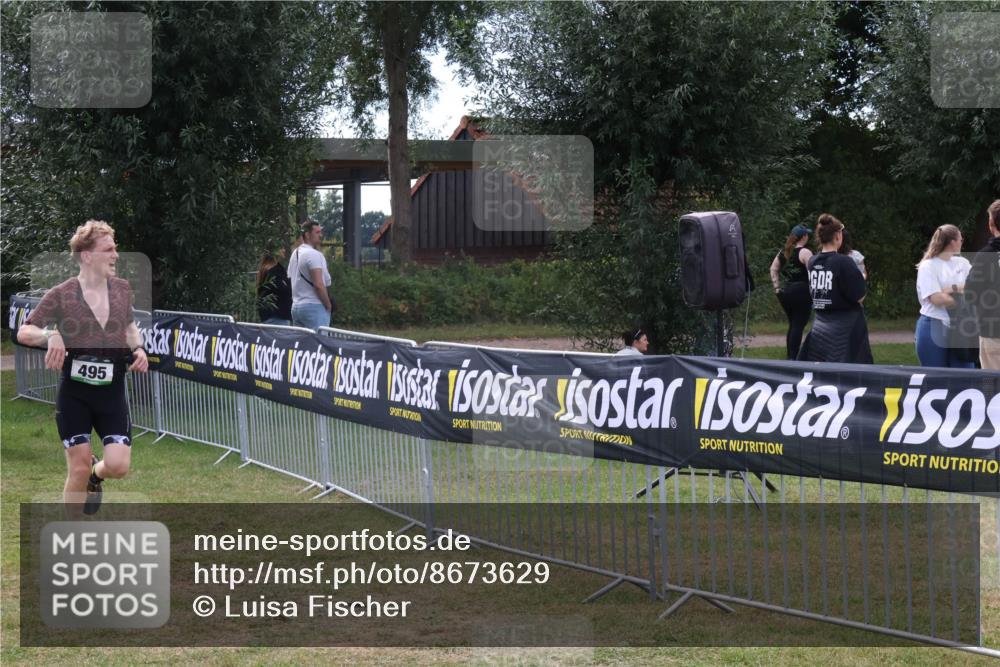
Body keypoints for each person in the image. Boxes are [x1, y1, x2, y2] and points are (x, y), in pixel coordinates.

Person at [16, 220, 149, 515]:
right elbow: (24, 332)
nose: (116, 255)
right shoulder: (62, 293)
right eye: (109, 249)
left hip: (111, 393)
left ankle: (95, 475)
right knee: (77, 467)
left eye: (115, 248)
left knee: (118, 466)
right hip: (74, 395)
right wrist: (51, 334)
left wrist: (138, 349)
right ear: (87, 256)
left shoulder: (122, 289)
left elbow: (129, 327)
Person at [797, 214, 873, 364]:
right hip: (845, 330)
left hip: (819, 327)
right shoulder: (844, 262)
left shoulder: (812, 262)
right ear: (838, 236)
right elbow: (860, 296)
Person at [914, 224, 974, 369]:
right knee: (935, 375)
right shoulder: (928, 266)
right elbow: (936, 298)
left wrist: (951, 289)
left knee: (965, 373)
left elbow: (975, 288)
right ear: (953, 242)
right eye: (960, 239)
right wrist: (961, 302)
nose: (962, 242)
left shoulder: (963, 263)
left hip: (961, 326)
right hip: (934, 324)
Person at [964, 200, 1000, 370]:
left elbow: (970, 295)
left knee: (991, 383)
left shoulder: (985, 256)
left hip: (993, 332)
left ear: (991, 223)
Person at [769, 224, 813, 359]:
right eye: (807, 234)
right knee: (798, 325)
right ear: (804, 237)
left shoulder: (784, 252)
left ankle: (791, 356)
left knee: (793, 324)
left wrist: (777, 288)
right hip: (802, 292)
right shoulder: (805, 252)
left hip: (786, 292)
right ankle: (794, 357)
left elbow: (773, 269)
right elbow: (813, 273)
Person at [288, 220, 333, 329]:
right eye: (317, 232)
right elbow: (319, 285)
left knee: (301, 340)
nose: (320, 235)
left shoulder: (295, 253)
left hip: (296, 307)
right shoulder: (314, 254)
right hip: (314, 307)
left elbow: (290, 278)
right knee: (319, 339)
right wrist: (328, 305)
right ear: (307, 235)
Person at [256, 251, 292, 325]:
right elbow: (284, 290)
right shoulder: (274, 271)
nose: (284, 250)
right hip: (278, 316)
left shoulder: (266, 269)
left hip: (269, 315)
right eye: (281, 248)